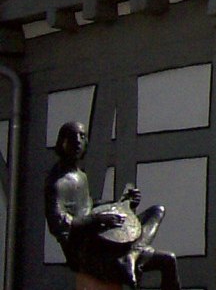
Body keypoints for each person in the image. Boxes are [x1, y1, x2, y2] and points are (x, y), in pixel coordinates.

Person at [44, 121, 181, 290]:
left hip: (106, 241)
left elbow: (88, 207)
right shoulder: (57, 183)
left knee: (157, 212)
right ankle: (130, 255)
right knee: (167, 260)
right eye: (73, 137)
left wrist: (123, 203)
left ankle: (132, 253)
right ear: (62, 143)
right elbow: (59, 224)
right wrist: (96, 219)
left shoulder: (80, 176)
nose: (78, 141)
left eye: (82, 136)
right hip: (88, 254)